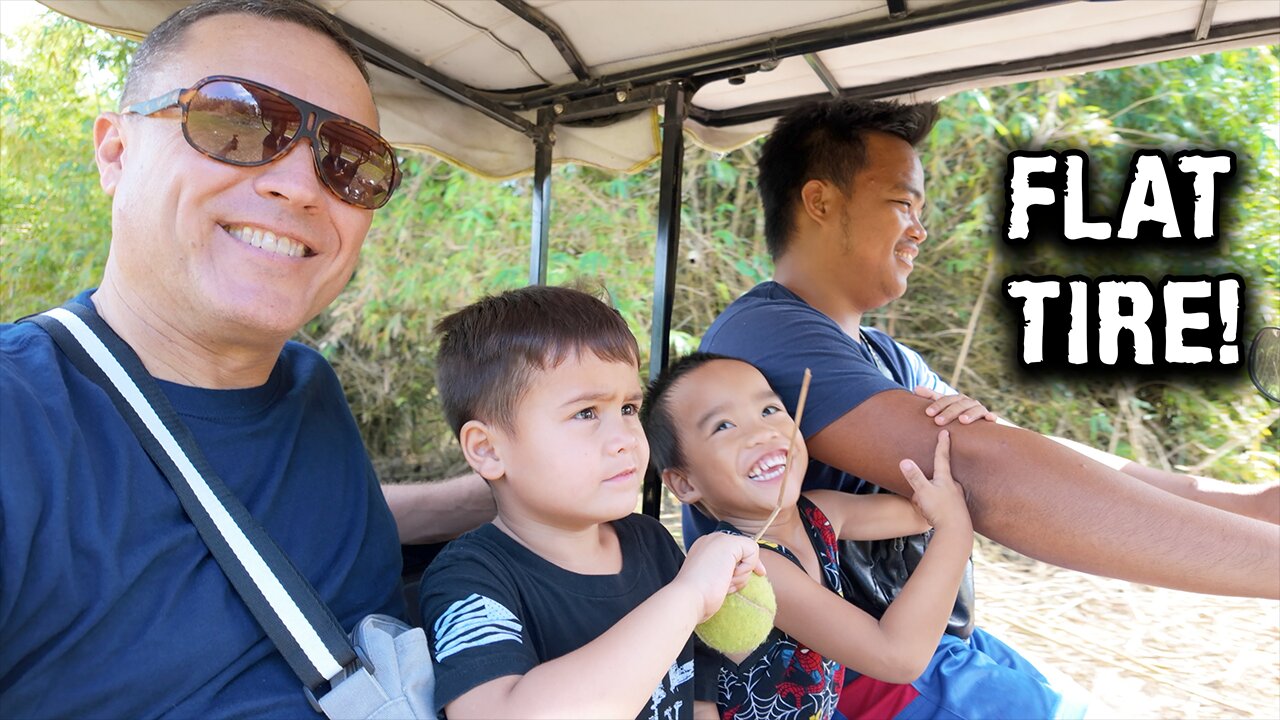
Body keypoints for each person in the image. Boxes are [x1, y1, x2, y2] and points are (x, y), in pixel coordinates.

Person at [0, 0, 478, 715]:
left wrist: (497, 493)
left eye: (349, 162)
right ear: (116, 152)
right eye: (234, 123)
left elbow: (244, 518)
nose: (300, 185)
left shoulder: (306, 386)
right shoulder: (18, 414)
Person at [688, 98, 1279, 601]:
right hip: (836, 688)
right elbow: (985, 470)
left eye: (921, 211)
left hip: (927, 663)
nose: (920, 230)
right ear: (820, 202)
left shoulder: (888, 359)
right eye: (902, 204)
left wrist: (1252, 504)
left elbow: (1020, 450)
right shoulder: (764, 336)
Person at [647, 353, 1080, 720]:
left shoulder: (821, 512)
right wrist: (956, 533)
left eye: (769, 410)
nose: (763, 432)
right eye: (723, 426)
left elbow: (926, 509)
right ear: (684, 484)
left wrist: (956, 423)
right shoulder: (752, 567)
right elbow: (897, 656)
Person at [418, 285, 765, 720]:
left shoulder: (650, 541)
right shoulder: (471, 578)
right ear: (488, 450)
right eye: (586, 413)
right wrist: (690, 593)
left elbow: (694, 694)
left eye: (628, 409)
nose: (625, 439)